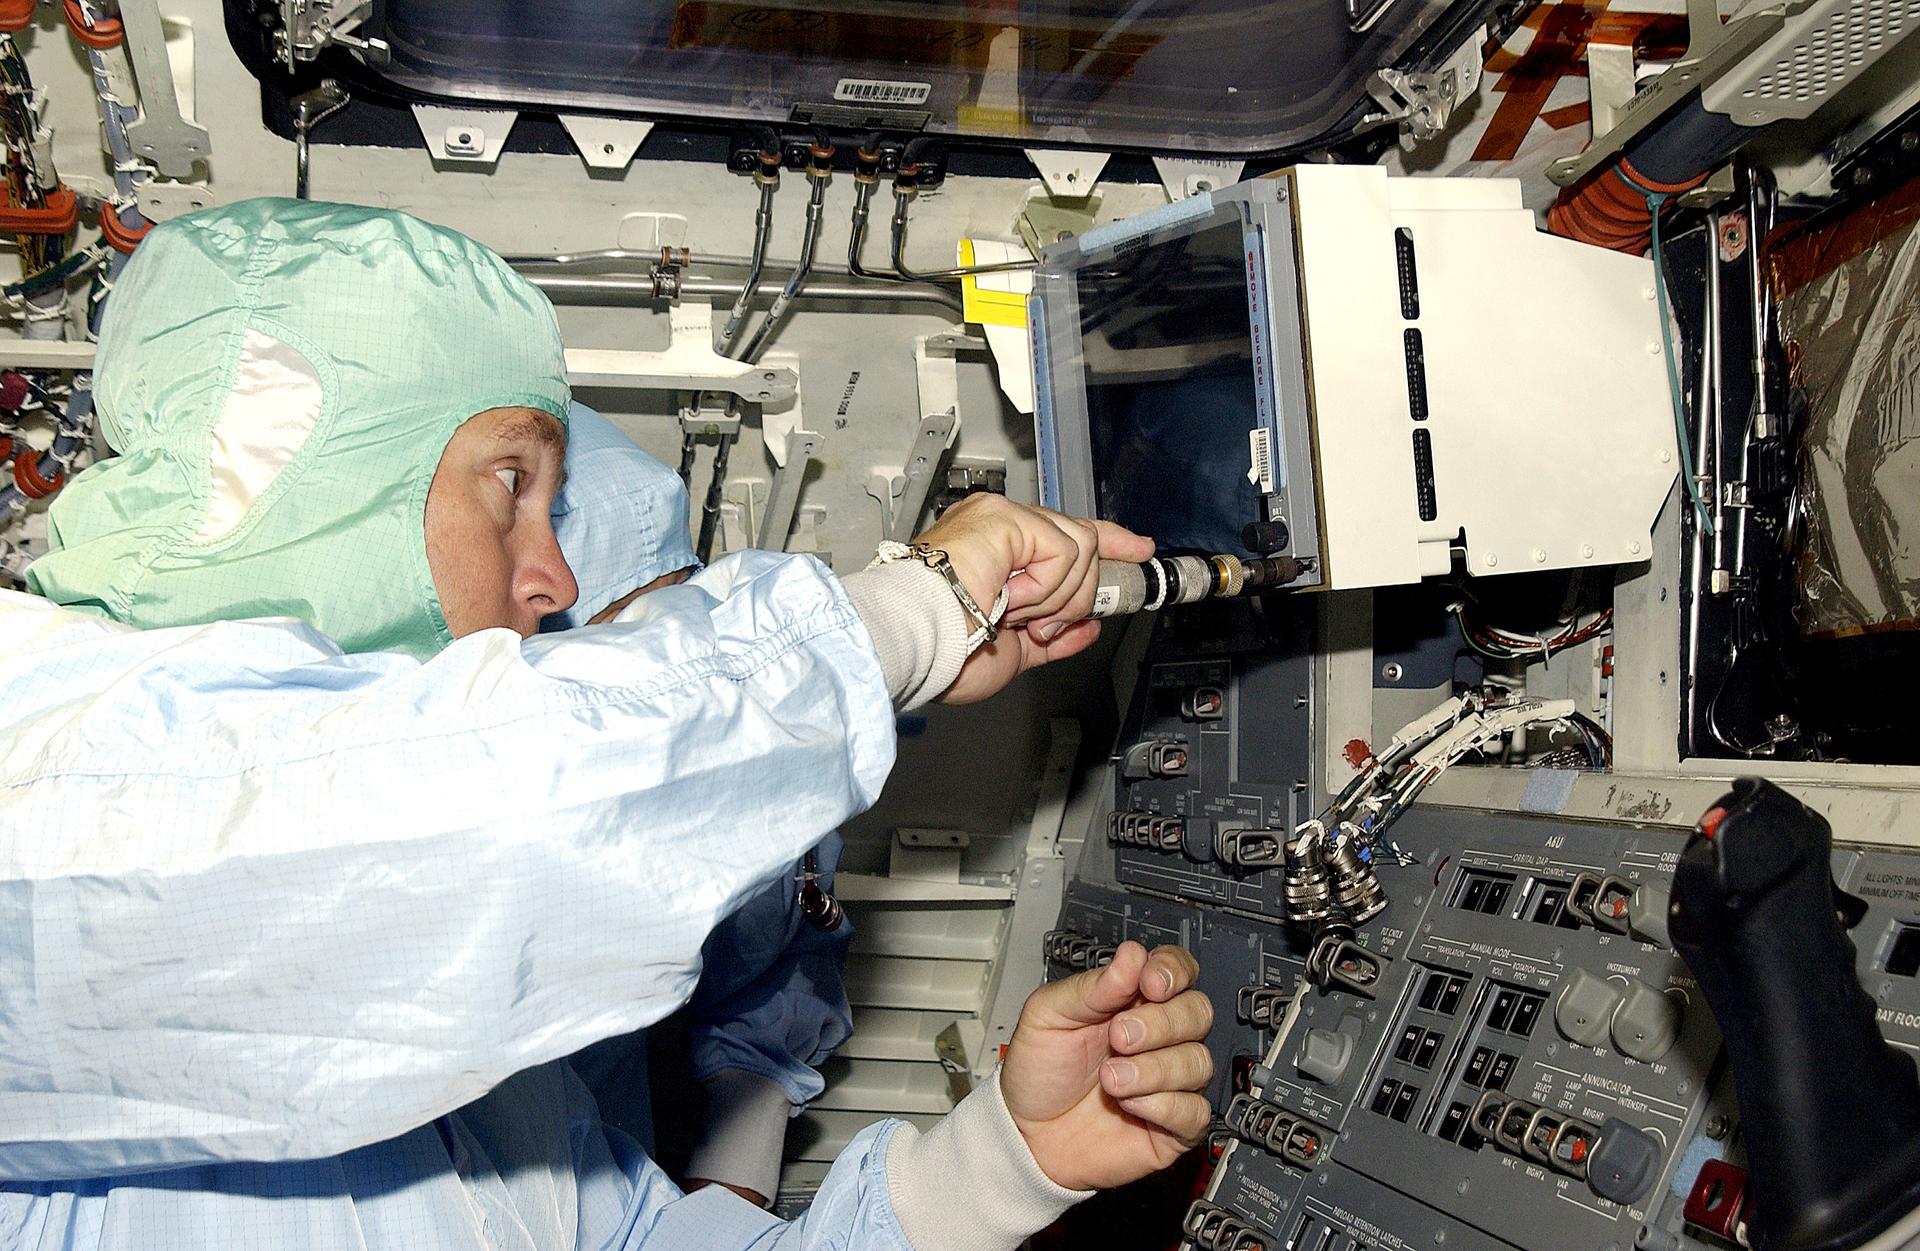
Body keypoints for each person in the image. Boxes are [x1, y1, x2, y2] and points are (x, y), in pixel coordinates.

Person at [0, 198, 1216, 1249]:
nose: (558, 580)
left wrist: (999, 1166)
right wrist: (912, 611)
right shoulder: (40, 742)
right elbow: (492, 824)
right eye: (511, 483)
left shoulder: (497, 1091)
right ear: (296, 464)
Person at [549, 405, 855, 1208]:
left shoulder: (750, 742)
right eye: (625, 629)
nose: (676, 672)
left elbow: (773, 978)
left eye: (680, 611)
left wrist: (728, 1194)